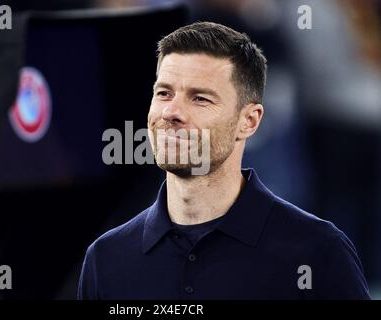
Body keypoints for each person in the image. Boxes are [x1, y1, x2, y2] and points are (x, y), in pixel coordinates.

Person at [78, 22, 370, 299]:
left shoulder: (318, 252)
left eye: (200, 98)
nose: (171, 112)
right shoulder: (106, 259)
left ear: (249, 121)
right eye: (164, 93)